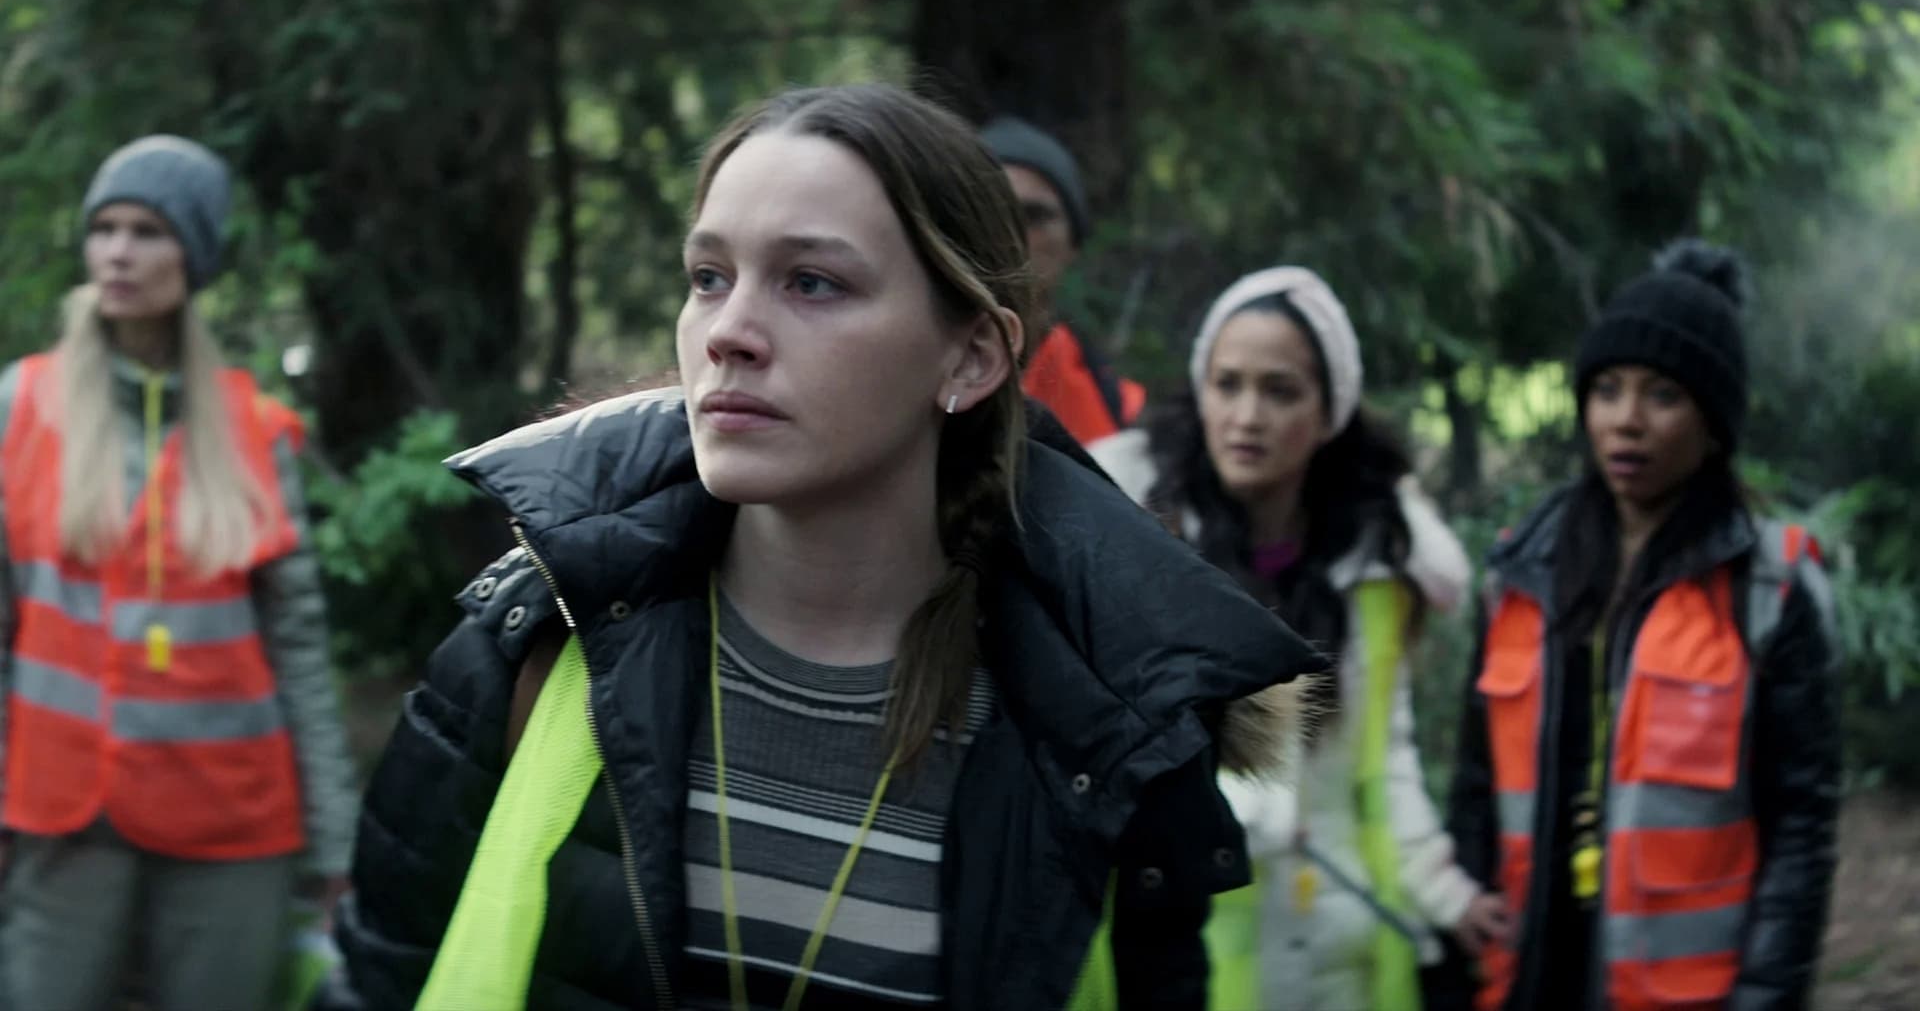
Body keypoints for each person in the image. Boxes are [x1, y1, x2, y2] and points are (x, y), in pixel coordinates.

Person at [332, 84, 1315, 1010]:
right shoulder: (537, 634)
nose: (728, 333)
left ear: (971, 355)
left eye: (812, 282)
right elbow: (380, 977)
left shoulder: (1112, 740)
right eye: (708, 277)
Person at [0, 135, 358, 1009]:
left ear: (192, 257)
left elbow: (299, 649)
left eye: (148, 232)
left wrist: (335, 845)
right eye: (105, 229)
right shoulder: (21, 406)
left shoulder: (254, 429)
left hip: (233, 824)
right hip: (63, 817)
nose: (118, 253)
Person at [1090, 267, 1504, 1010]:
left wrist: (1442, 889)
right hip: (1191, 947)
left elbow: (1384, 758)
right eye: (1227, 385)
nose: (1246, 416)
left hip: (1344, 953)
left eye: (1280, 391)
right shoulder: (1136, 550)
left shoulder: (1370, 568)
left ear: (1328, 411)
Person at [1446, 242, 1841, 1010]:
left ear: (1713, 420)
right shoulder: (1520, 572)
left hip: (1687, 990)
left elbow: (1802, 826)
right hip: (1526, 973)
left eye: (1663, 395)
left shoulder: (1771, 586)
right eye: (1607, 390)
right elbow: (1475, 785)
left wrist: (1768, 996)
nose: (1627, 421)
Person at [980, 115, 1146, 446]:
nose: (1012, 234)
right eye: (992, 213)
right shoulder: (905, 378)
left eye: (1034, 216)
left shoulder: (1120, 409)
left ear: (1073, 243)